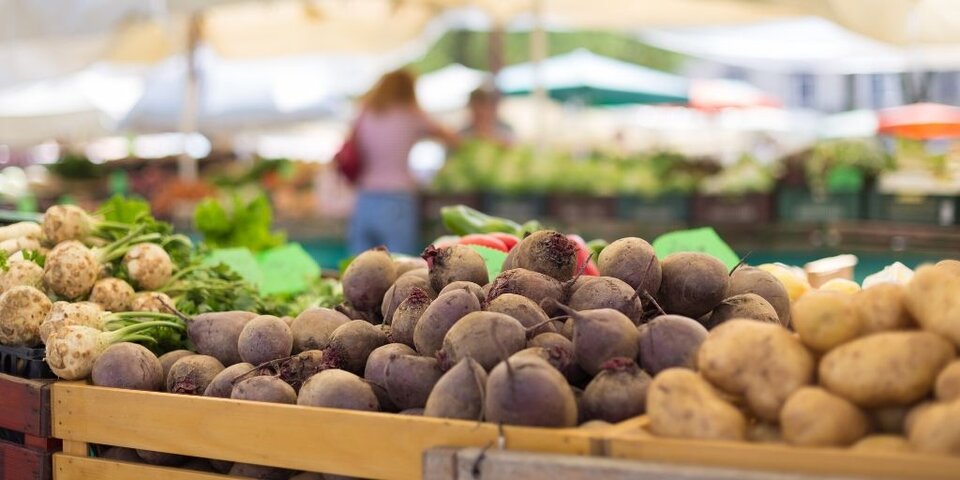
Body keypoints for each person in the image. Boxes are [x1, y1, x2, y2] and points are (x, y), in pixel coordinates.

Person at [347, 69, 458, 255]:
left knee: (358, 268)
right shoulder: (411, 114)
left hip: (364, 198)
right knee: (400, 267)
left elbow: (350, 146)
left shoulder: (364, 112)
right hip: (397, 200)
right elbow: (452, 139)